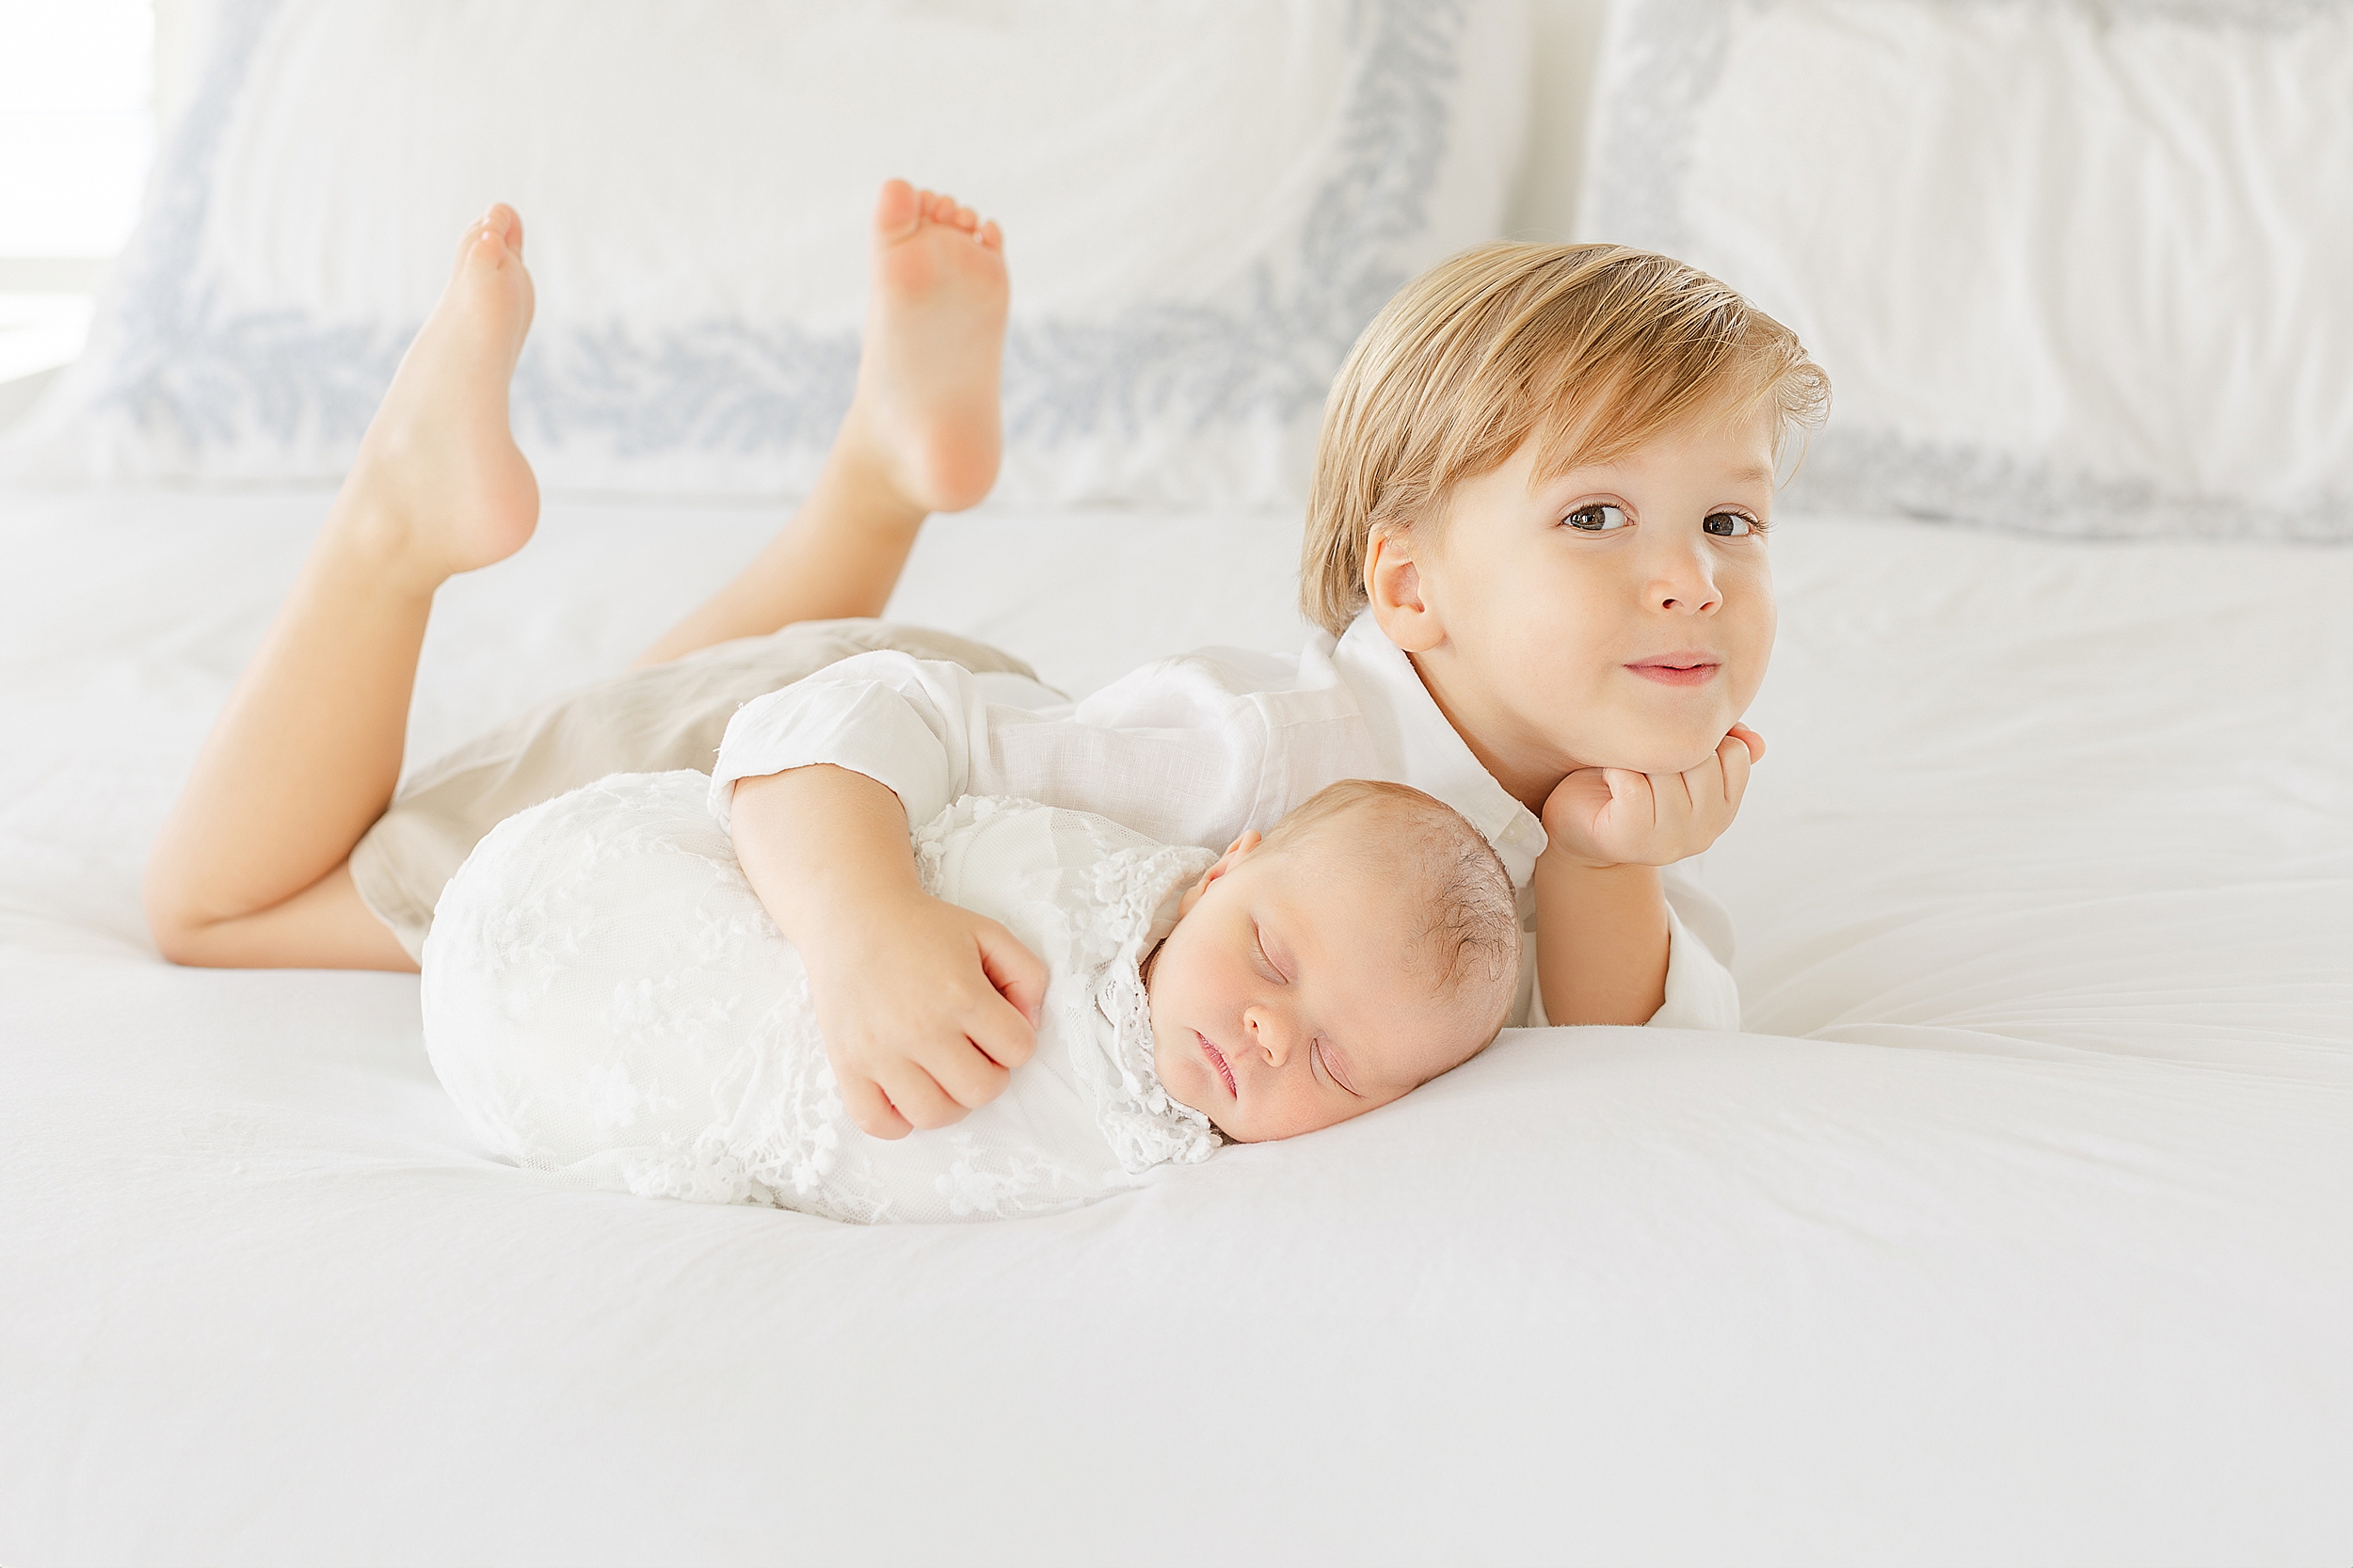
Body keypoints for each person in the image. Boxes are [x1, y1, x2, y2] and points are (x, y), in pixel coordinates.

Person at [145, 178, 1829, 1142]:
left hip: (938, 739)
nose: (1688, 583)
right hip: (821, 757)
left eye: (1731, 527)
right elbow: (820, 720)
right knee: (222, 912)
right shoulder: (1267, 754)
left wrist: (1611, 862)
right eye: (1600, 518)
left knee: (701, 690)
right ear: (1408, 583)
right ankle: (395, 525)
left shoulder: (1623, 851)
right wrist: (858, 925)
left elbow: (1620, 1079)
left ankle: (880, 475)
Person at [421, 775, 1518, 1222]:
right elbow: (932, 830)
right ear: (1226, 870)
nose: (1272, 1031)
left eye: (1334, 1066)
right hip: (640, 906)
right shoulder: (1077, 875)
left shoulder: (1184, 1175)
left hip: (609, 1096)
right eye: (1269, 956)